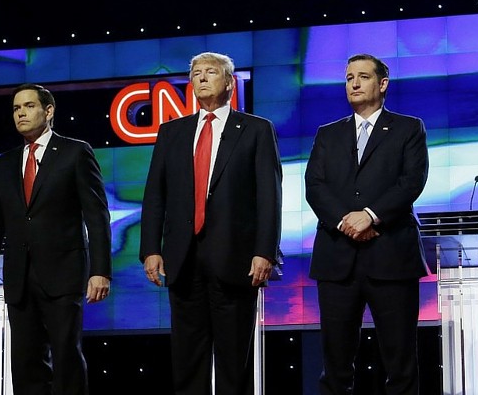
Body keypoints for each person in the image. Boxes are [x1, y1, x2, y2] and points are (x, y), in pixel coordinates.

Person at [139, 52, 283, 395]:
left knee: (235, 363)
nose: (201, 78)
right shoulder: (171, 132)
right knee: (188, 361)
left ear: (230, 83)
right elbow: (155, 195)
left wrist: (264, 251)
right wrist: (150, 250)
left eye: (211, 72)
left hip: (236, 261)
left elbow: (269, 197)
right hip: (183, 259)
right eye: (196, 73)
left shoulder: (255, 129)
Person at [0, 83, 112, 395]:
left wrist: (100, 270)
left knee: (66, 358)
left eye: (28, 106)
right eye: (15, 108)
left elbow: (96, 215)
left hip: (63, 273)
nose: (20, 113)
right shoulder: (3, 164)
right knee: (24, 364)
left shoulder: (75, 152)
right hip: (19, 278)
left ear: (48, 111)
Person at [305, 53, 429, 395]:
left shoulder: (409, 127)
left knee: (401, 360)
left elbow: (411, 181)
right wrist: (347, 221)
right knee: (335, 363)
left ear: (383, 84)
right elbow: (314, 185)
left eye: (362, 76)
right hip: (337, 257)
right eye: (348, 78)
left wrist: (371, 215)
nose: (354, 83)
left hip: (391, 255)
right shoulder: (328, 134)